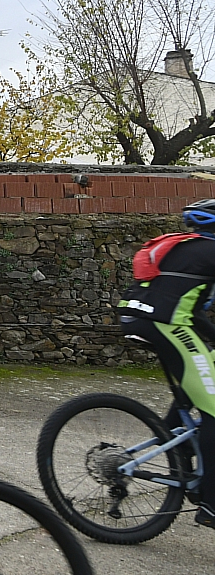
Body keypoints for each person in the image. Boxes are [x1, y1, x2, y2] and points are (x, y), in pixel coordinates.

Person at [119, 198, 215, 529]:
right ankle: (211, 503)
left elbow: (193, 310)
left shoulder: (183, 247)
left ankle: (179, 447)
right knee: (214, 409)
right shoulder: (211, 252)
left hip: (138, 318)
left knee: (201, 376)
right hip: (166, 325)